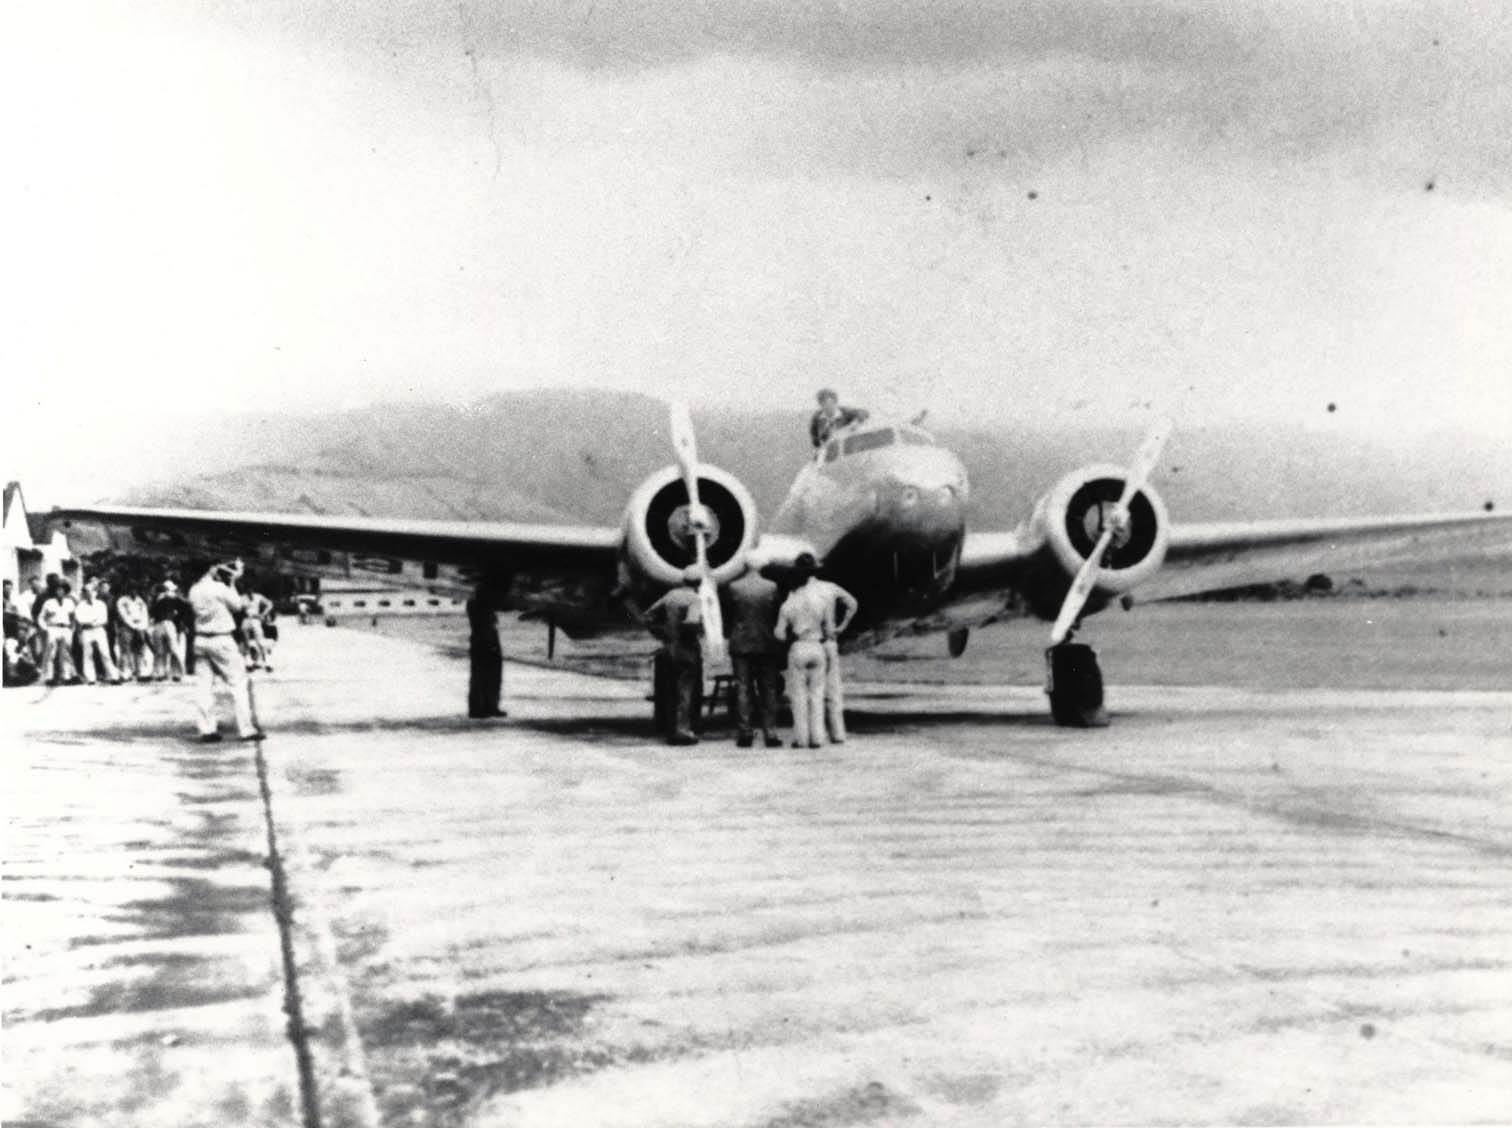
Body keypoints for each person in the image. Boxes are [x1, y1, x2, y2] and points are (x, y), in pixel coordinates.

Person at [188, 560, 262, 742]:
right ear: (210, 569)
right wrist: (233, 582)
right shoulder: (218, 587)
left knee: (204, 687)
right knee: (238, 684)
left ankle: (207, 729)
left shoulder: (193, 590)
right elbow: (237, 605)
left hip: (201, 639)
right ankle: (246, 729)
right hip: (221, 638)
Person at [722, 558, 784, 748]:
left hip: (740, 644)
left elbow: (727, 616)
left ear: (744, 567)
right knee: (769, 688)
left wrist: (730, 633)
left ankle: (745, 733)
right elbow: (776, 613)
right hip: (766, 644)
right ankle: (771, 733)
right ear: (761, 567)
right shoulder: (771, 587)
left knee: (743, 688)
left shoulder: (734, 587)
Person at [644, 566, 705, 746]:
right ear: (699, 583)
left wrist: (663, 633)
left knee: (670, 690)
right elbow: (692, 621)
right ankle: (682, 731)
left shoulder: (670, 595)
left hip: (669, 648)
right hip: (687, 649)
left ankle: (670, 728)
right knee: (685, 691)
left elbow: (648, 616)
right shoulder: (695, 599)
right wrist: (691, 634)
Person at [773, 557, 829, 749]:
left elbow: (779, 634)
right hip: (817, 646)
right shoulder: (821, 601)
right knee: (817, 695)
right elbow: (829, 628)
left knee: (798, 697)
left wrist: (787, 636)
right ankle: (817, 738)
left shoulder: (789, 604)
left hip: (798, 647)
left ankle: (801, 739)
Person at [809, 568, 859, 744]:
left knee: (814, 693)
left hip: (809, 643)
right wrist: (842, 625)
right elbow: (852, 603)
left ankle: (817, 736)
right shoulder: (830, 588)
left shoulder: (797, 592)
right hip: (829, 642)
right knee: (834, 691)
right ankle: (838, 734)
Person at [465, 588, 506, 719]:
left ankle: (488, 706)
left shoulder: (478, 605)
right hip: (484, 642)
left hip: (486, 641)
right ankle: (480, 707)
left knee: (489, 676)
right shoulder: (479, 607)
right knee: (482, 676)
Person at [74, 580, 122, 685]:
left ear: (95, 592)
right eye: (87, 591)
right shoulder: (80, 606)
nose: (89, 593)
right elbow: (80, 618)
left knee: (105, 653)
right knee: (88, 654)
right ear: (84, 593)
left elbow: (104, 619)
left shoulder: (101, 604)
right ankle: (91, 678)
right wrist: (90, 622)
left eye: (91, 591)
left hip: (99, 630)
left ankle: (114, 676)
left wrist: (94, 622)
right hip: (86, 631)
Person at [36, 580, 79, 686]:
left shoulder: (70, 602)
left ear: (65, 591)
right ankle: (49, 677)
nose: (60, 592)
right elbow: (41, 617)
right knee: (51, 653)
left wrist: (72, 629)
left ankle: (67, 676)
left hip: (65, 628)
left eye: (62, 590)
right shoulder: (49, 602)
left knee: (66, 653)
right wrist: (45, 628)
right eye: (58, 590)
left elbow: (73, 617)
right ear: (54, 591)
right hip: (53, 628)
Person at [149, 580, 189, 681]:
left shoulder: (171, 598)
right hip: (162, 624)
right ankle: (163, 673)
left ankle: (169, 673)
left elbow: (184, 607)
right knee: (162, 650)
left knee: (171, 649)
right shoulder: (158, 599)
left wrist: (178, 619)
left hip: (167, 623)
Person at [115, 586, 152, 681]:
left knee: (140, 649)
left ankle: (141, 672)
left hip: (140, 626)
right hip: (126, 627)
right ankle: (126, 673)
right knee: (126, 650)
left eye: (136, 590)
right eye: (132, 590)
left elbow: (145, 615)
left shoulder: (140, 601)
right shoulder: (122, 601)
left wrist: (142, 627)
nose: (134, 592)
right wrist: (133, 626)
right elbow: (123, 615)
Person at [241, 588, 274, 671]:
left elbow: (270, 604)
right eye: (248, 588)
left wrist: (263, 614)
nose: (249, 591)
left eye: (251, 588)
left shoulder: (258, 596)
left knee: (260, 641)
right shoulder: (242, 598)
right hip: (247, 619)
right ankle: (249, 663)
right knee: (246, 642)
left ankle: (267, 663)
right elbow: (238, 608)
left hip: (256, 619)